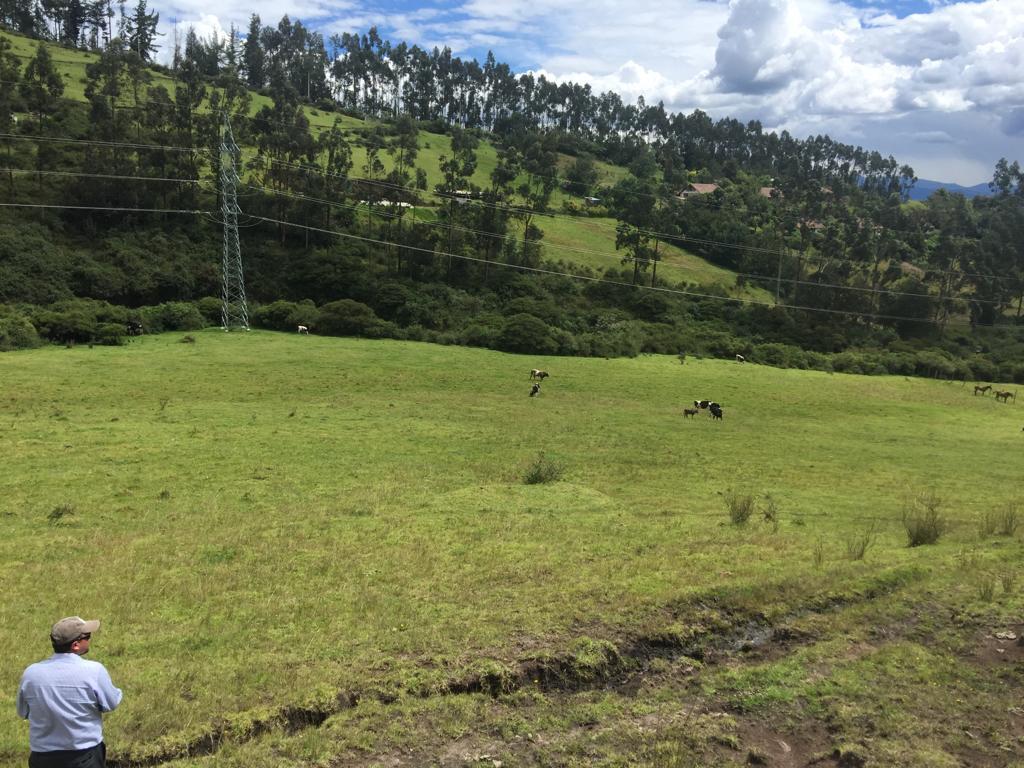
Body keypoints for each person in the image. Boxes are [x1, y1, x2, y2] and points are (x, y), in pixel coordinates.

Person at [16, 617, 122, 768]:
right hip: (85, 756)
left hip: (42, 758)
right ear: (76, 645)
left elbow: (23, 712)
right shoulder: (94, 671)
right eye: (87, 637)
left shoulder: (30, 674)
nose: (89, 640)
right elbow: (111, 703)